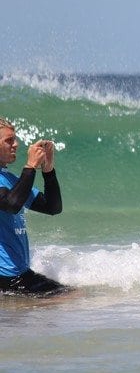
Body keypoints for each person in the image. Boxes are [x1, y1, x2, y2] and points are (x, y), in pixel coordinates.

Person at [0, 118, 69, 296]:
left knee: (71, 298)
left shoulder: (12, 179)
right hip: (6, 278)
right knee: (71, 299)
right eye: (8, 140)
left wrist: (48, 169)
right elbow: (11, 205)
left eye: (15, 139)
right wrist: (30, 166)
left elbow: (52, 207)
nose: (15, 144)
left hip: (19, 274)